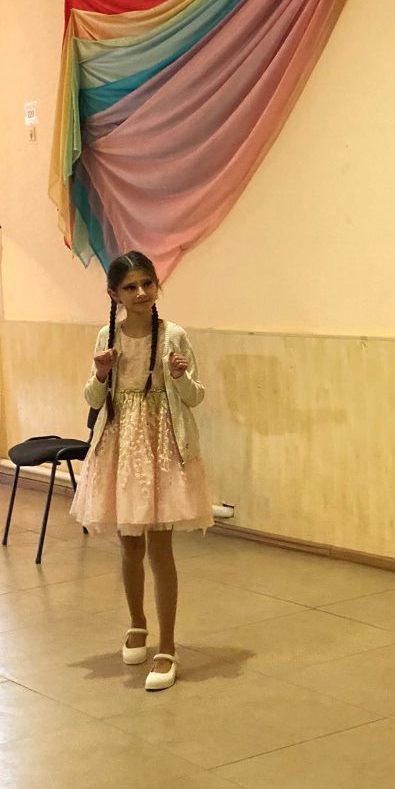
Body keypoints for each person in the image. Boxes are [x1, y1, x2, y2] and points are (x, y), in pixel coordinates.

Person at [71, 250, 212, 691]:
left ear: (156, 286)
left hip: (162, 446)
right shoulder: (107, 335)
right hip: (121, 448)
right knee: (129, 546)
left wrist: (179, 376)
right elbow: (94, 400)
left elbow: (195, 397)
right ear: (113, 294)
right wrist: (100, 373)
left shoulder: (173, 335)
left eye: (147, 283)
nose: (141, 293)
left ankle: (167, 646)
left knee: (161, 549)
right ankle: (137, 624)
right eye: (130, 287)